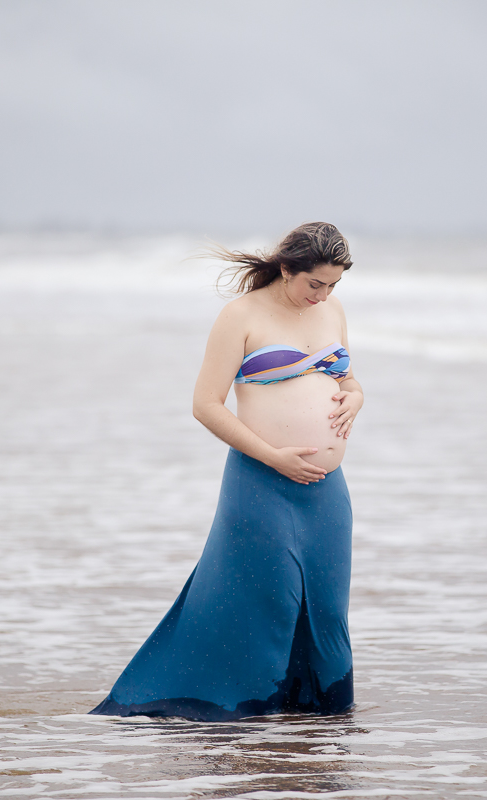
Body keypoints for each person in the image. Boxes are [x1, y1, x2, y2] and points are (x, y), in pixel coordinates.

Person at [90, 222, 363, 721]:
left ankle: (317, 725)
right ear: (286, 269)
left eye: (333, 286)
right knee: (265, 602)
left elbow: (347, 378)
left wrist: (358, 397)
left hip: (326, 491)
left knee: (326, 610)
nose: (323, 296)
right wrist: (273, 455)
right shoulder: (240, 316)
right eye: (314, 284)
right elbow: (206, 405)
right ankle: (241, 714)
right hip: (260, 482)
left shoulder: (332, 310)